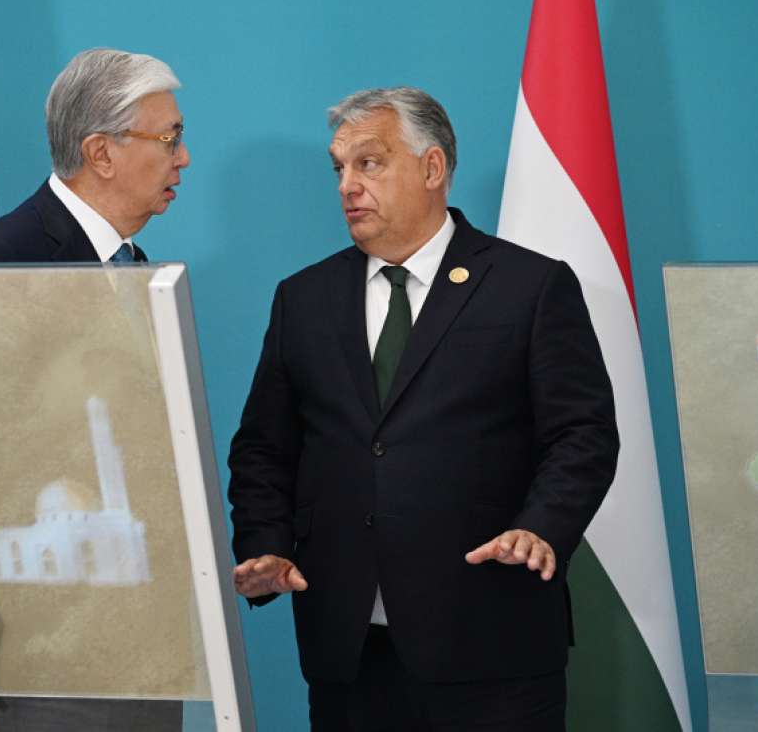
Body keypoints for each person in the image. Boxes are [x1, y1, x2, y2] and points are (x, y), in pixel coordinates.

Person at [228, 87, 619, 731]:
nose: (348, 186)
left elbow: (583, 434)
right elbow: (265, 447)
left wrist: (542, 526)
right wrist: (265, 543)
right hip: (349, 650)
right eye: (340, 168)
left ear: (432, 167)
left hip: (491, 638)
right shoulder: (303, 298)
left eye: (369, 163)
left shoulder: (529, 285)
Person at [0, 47, 189, 731]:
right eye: (169, 139)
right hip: (51, 644)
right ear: (101, 152)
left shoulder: (130, 264)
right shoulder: (11, 257)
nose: (182, 159)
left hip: (143, 630)